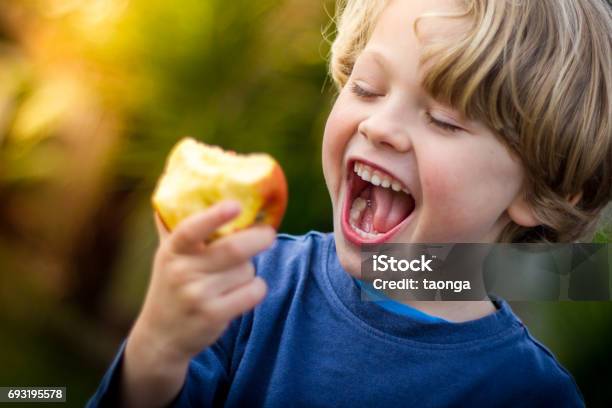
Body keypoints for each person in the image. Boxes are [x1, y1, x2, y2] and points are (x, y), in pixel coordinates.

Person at [88, 0, 611, 406]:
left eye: (445, 120)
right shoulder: (247, 288)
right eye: (365, 88)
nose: (379, 126)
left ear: (542, 191)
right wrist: (156, 351)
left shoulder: (531, 396)